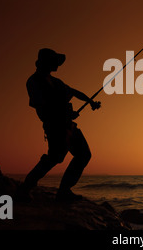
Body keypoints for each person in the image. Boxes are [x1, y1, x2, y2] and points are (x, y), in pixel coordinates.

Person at [18, 48, 101, 202]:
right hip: (55, 127)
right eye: (55, 61)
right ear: (46, 62)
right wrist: (64, 113)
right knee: (55, 158)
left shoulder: (56, 81)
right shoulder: (34, 81)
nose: (58, 64)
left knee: (83, 154)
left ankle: (64, 191)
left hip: (69, 125)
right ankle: (26, 187)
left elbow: (75, 92)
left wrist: (90, 102)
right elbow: (41, 107)